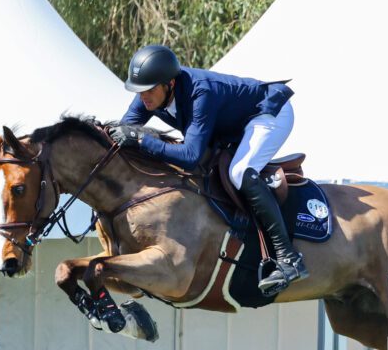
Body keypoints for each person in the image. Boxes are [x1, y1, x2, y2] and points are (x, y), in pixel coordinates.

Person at [110, 44, 309, 296]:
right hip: (233, 126)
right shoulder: (150, 89)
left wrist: (142, 141)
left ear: (169, 84)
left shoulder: (200, 93)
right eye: (138, 91)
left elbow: (190, 156)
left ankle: (289, 259)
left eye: (148, 91)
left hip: (268, 113)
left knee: (240, 172)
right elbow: (127, 127)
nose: (142, 97)